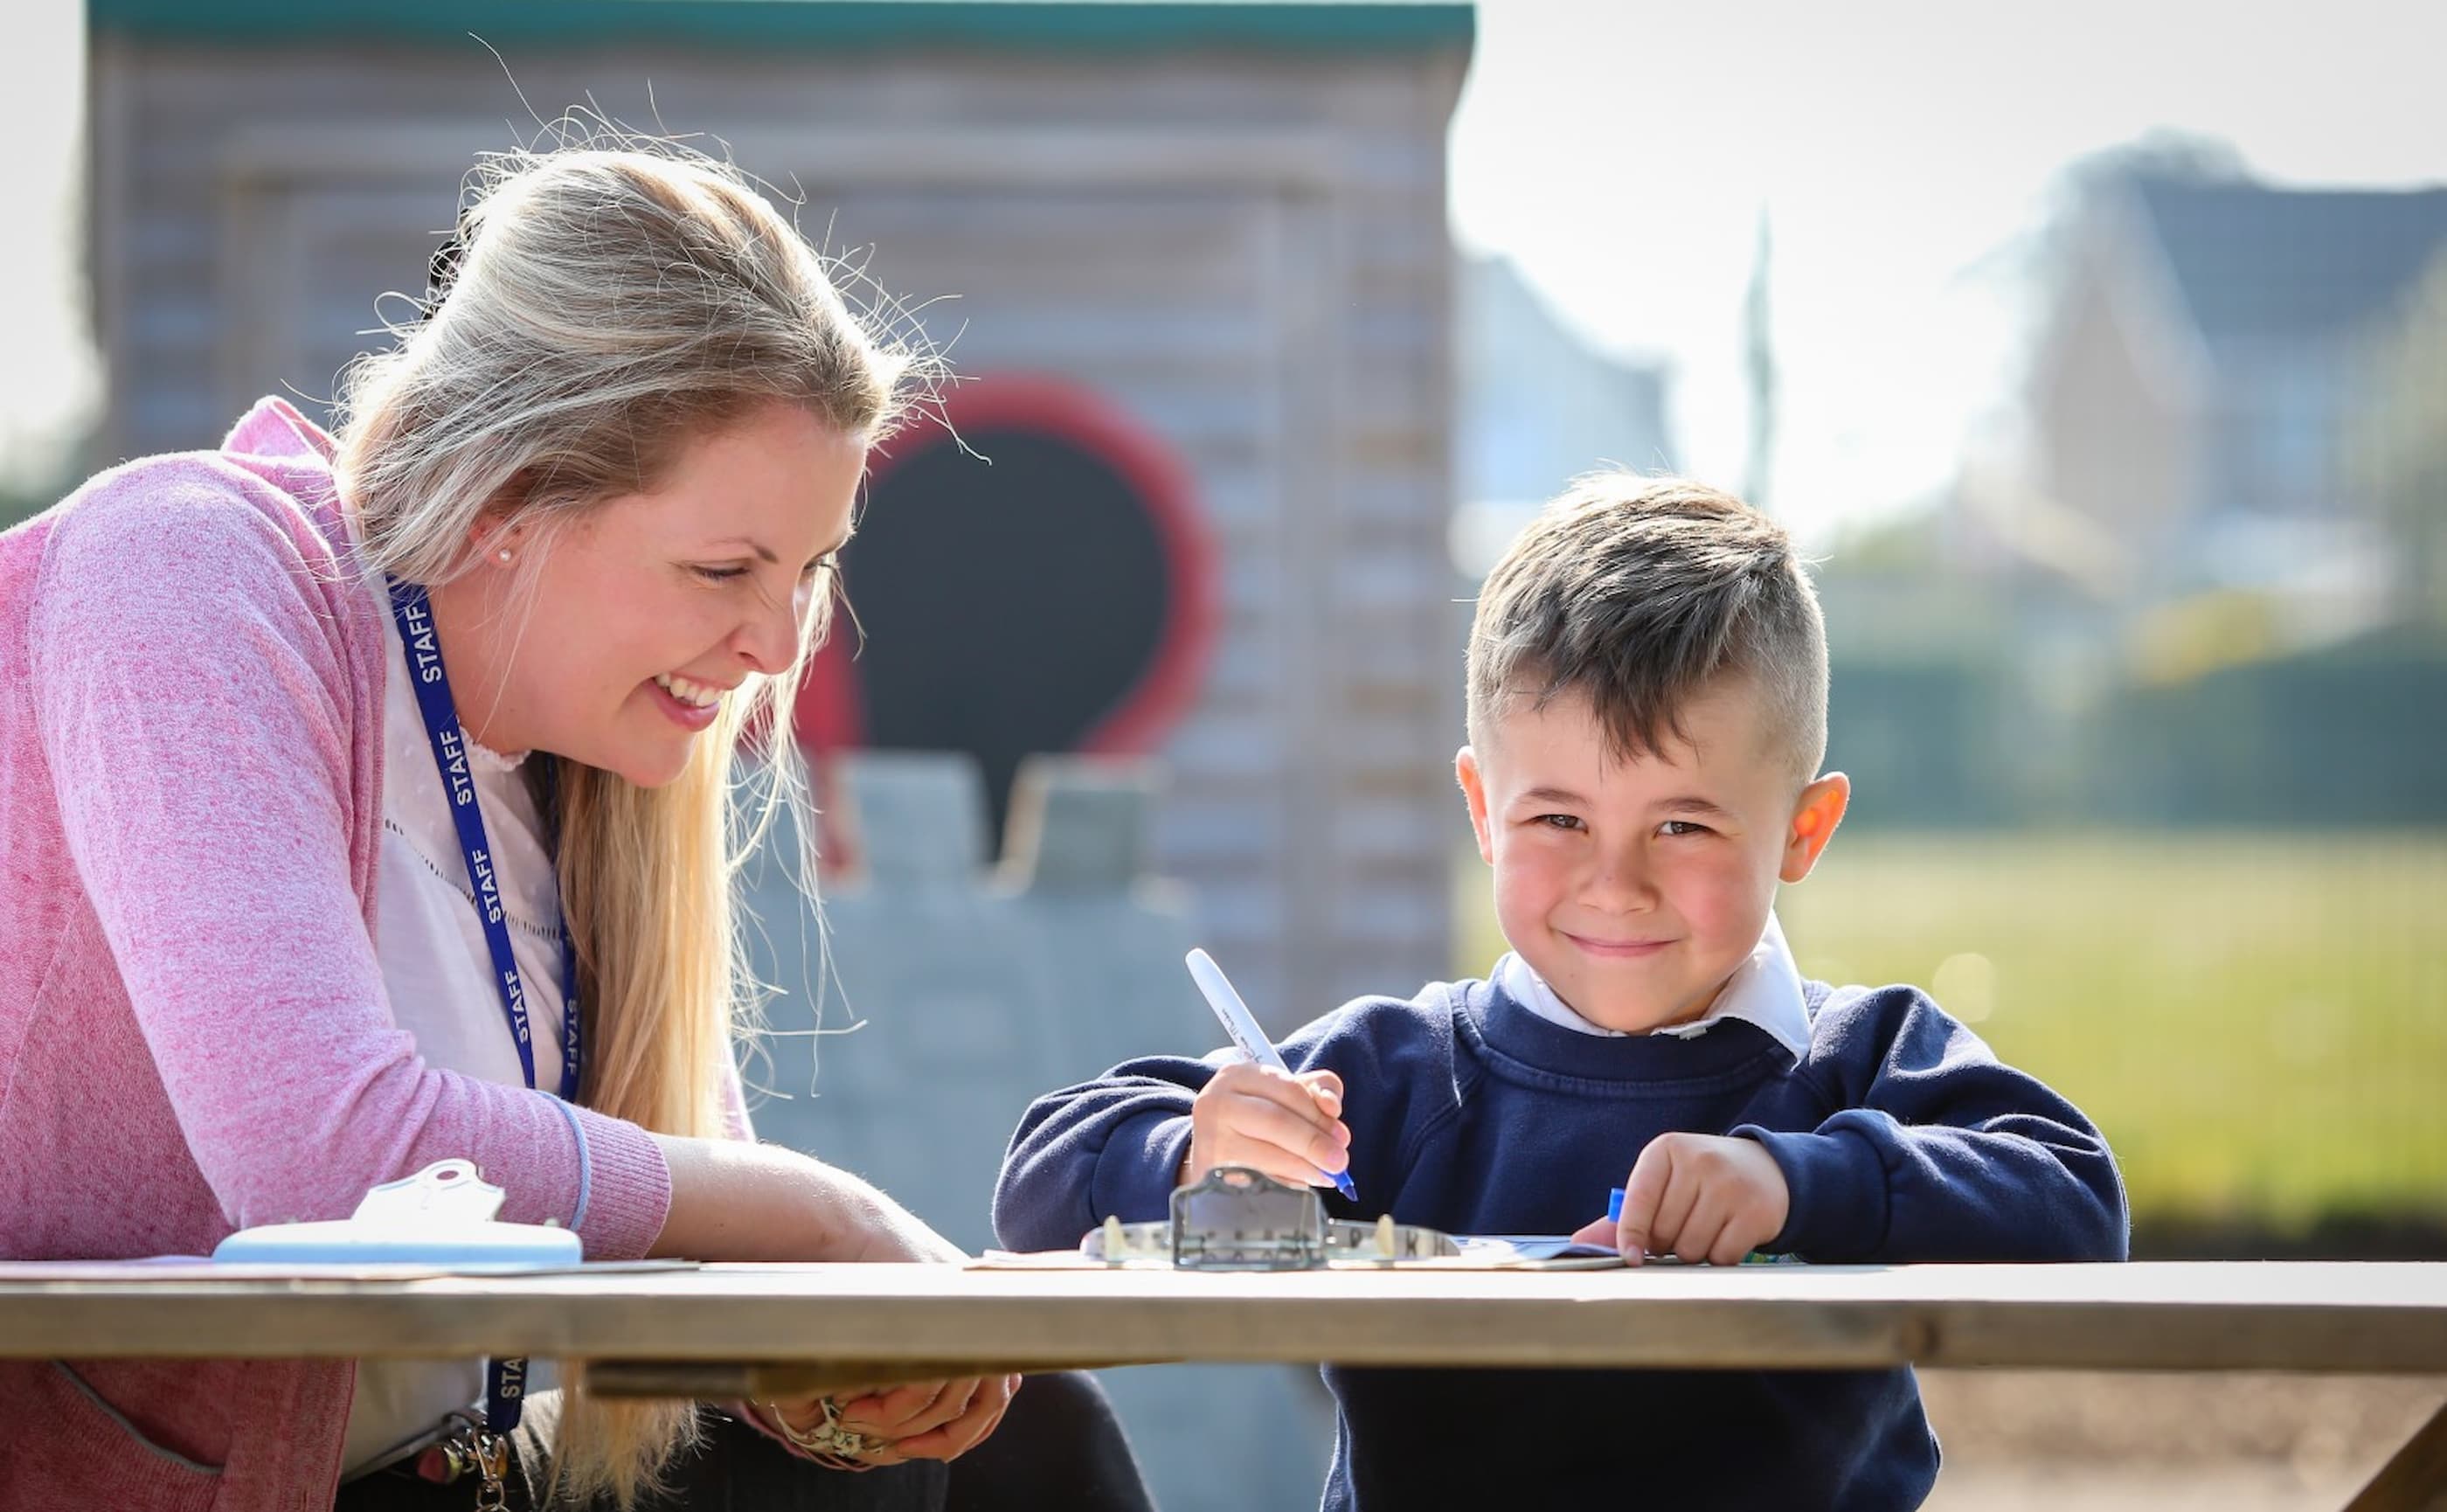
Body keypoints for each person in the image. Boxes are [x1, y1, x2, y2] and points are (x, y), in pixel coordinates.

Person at [0, 139, 1151, 1512]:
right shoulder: (186, 565)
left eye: (813, 569)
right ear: (505, 499)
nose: (781, 646)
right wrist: (813, 1212)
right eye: (726, 568)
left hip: (477, 1469)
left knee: (1026, 1438)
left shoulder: (590, 749)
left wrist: (839, 1392)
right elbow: (320, 1157)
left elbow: (669, 1263)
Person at [993, 475, 2130, 1511]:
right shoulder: (1385, 1079)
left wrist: (1799, 1182)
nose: (1615, 882)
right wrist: (1195, 1156)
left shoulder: (1857, 1060)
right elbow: (1040, 1187)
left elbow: (2078, 1205)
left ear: (1804, 827)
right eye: (1558, 819)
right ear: (1483, 810)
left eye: (1681, 823)